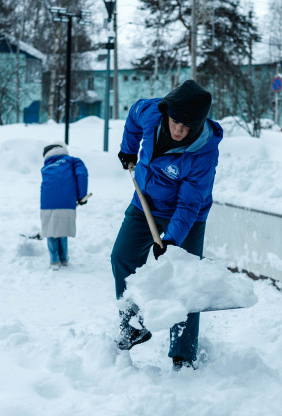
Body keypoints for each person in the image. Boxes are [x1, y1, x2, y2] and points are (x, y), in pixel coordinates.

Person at [110, 79, 222, 371]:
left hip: (186, 217)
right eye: (174, 122)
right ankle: (134, 322)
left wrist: (172, 239)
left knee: (185, 280)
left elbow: (188, 204)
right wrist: (128, 150)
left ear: (197, 125)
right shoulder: (153, 112)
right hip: (144, 201)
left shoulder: (203, 152)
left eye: (186, 126)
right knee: (122, 256)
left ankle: (183, 354)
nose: (178, 130)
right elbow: (134, 115)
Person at [40, 141, 89, 270]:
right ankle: (64, 259)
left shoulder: (47, 165)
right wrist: (81, 196)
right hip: (66, 201)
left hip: (47, 203)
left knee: (51, 231)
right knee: (62, 229)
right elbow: (82, 175)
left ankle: (54, 261)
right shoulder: (73, 161)